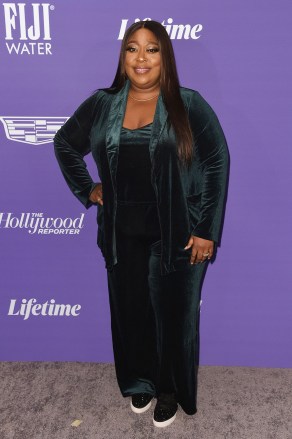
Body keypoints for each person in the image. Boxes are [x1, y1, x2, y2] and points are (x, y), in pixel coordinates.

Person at [54, 19, 229, 428]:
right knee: (131, 311)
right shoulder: (101, 103)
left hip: (178, 232)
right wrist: (89, 189)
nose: (141, 57)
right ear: (123, 57)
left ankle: (168, 389)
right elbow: (65, 143)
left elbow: (217, 162)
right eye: (132, 48)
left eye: (152, 49)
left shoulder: (189, 104)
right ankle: (141, 381)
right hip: (121, 231)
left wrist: (207, 229)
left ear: (165, 56)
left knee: (173, 316)